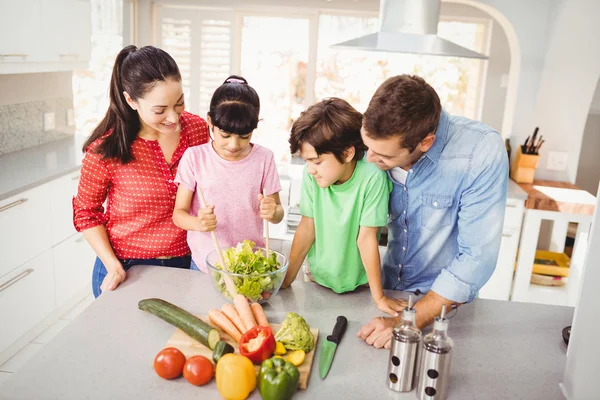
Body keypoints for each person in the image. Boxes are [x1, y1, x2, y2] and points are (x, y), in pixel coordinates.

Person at [357, 74, 508, 348]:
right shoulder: (378, 146)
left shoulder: (480, 151)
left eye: (386, 157)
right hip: (386, 299)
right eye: (367, 146)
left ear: (425, 142)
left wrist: (408, 321)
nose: (370, 159)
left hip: (446, 314)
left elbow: (477, 258)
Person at [73, 45, 209, 298]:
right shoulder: (105, 149)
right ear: (131, 100)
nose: (174, 117)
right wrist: (112, 265)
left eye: (179, 103)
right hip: (127, 268)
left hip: (188, 264)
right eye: (160, 110)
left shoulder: (197, 130)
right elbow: (86, 213)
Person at [282, 98, 405, 317]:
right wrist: (285, 281)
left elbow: (367, 238)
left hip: (360, 282)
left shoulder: (373, 177)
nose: (310, 169)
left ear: (347, 153)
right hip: (316, 277)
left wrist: (379, 297)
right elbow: (307, 228)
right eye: (306, 161)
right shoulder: (312, 175)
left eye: (317, 161)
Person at [172, 75, 284, 272]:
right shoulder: (194, 158)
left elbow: (278, 213)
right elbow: (178, 215)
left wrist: (273, 212)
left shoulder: (264, 158)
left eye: (244, 136)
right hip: (204, 265)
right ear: (210, 121)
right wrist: (199, 223)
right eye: (225, 135)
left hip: (250, 266)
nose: (234, 145)